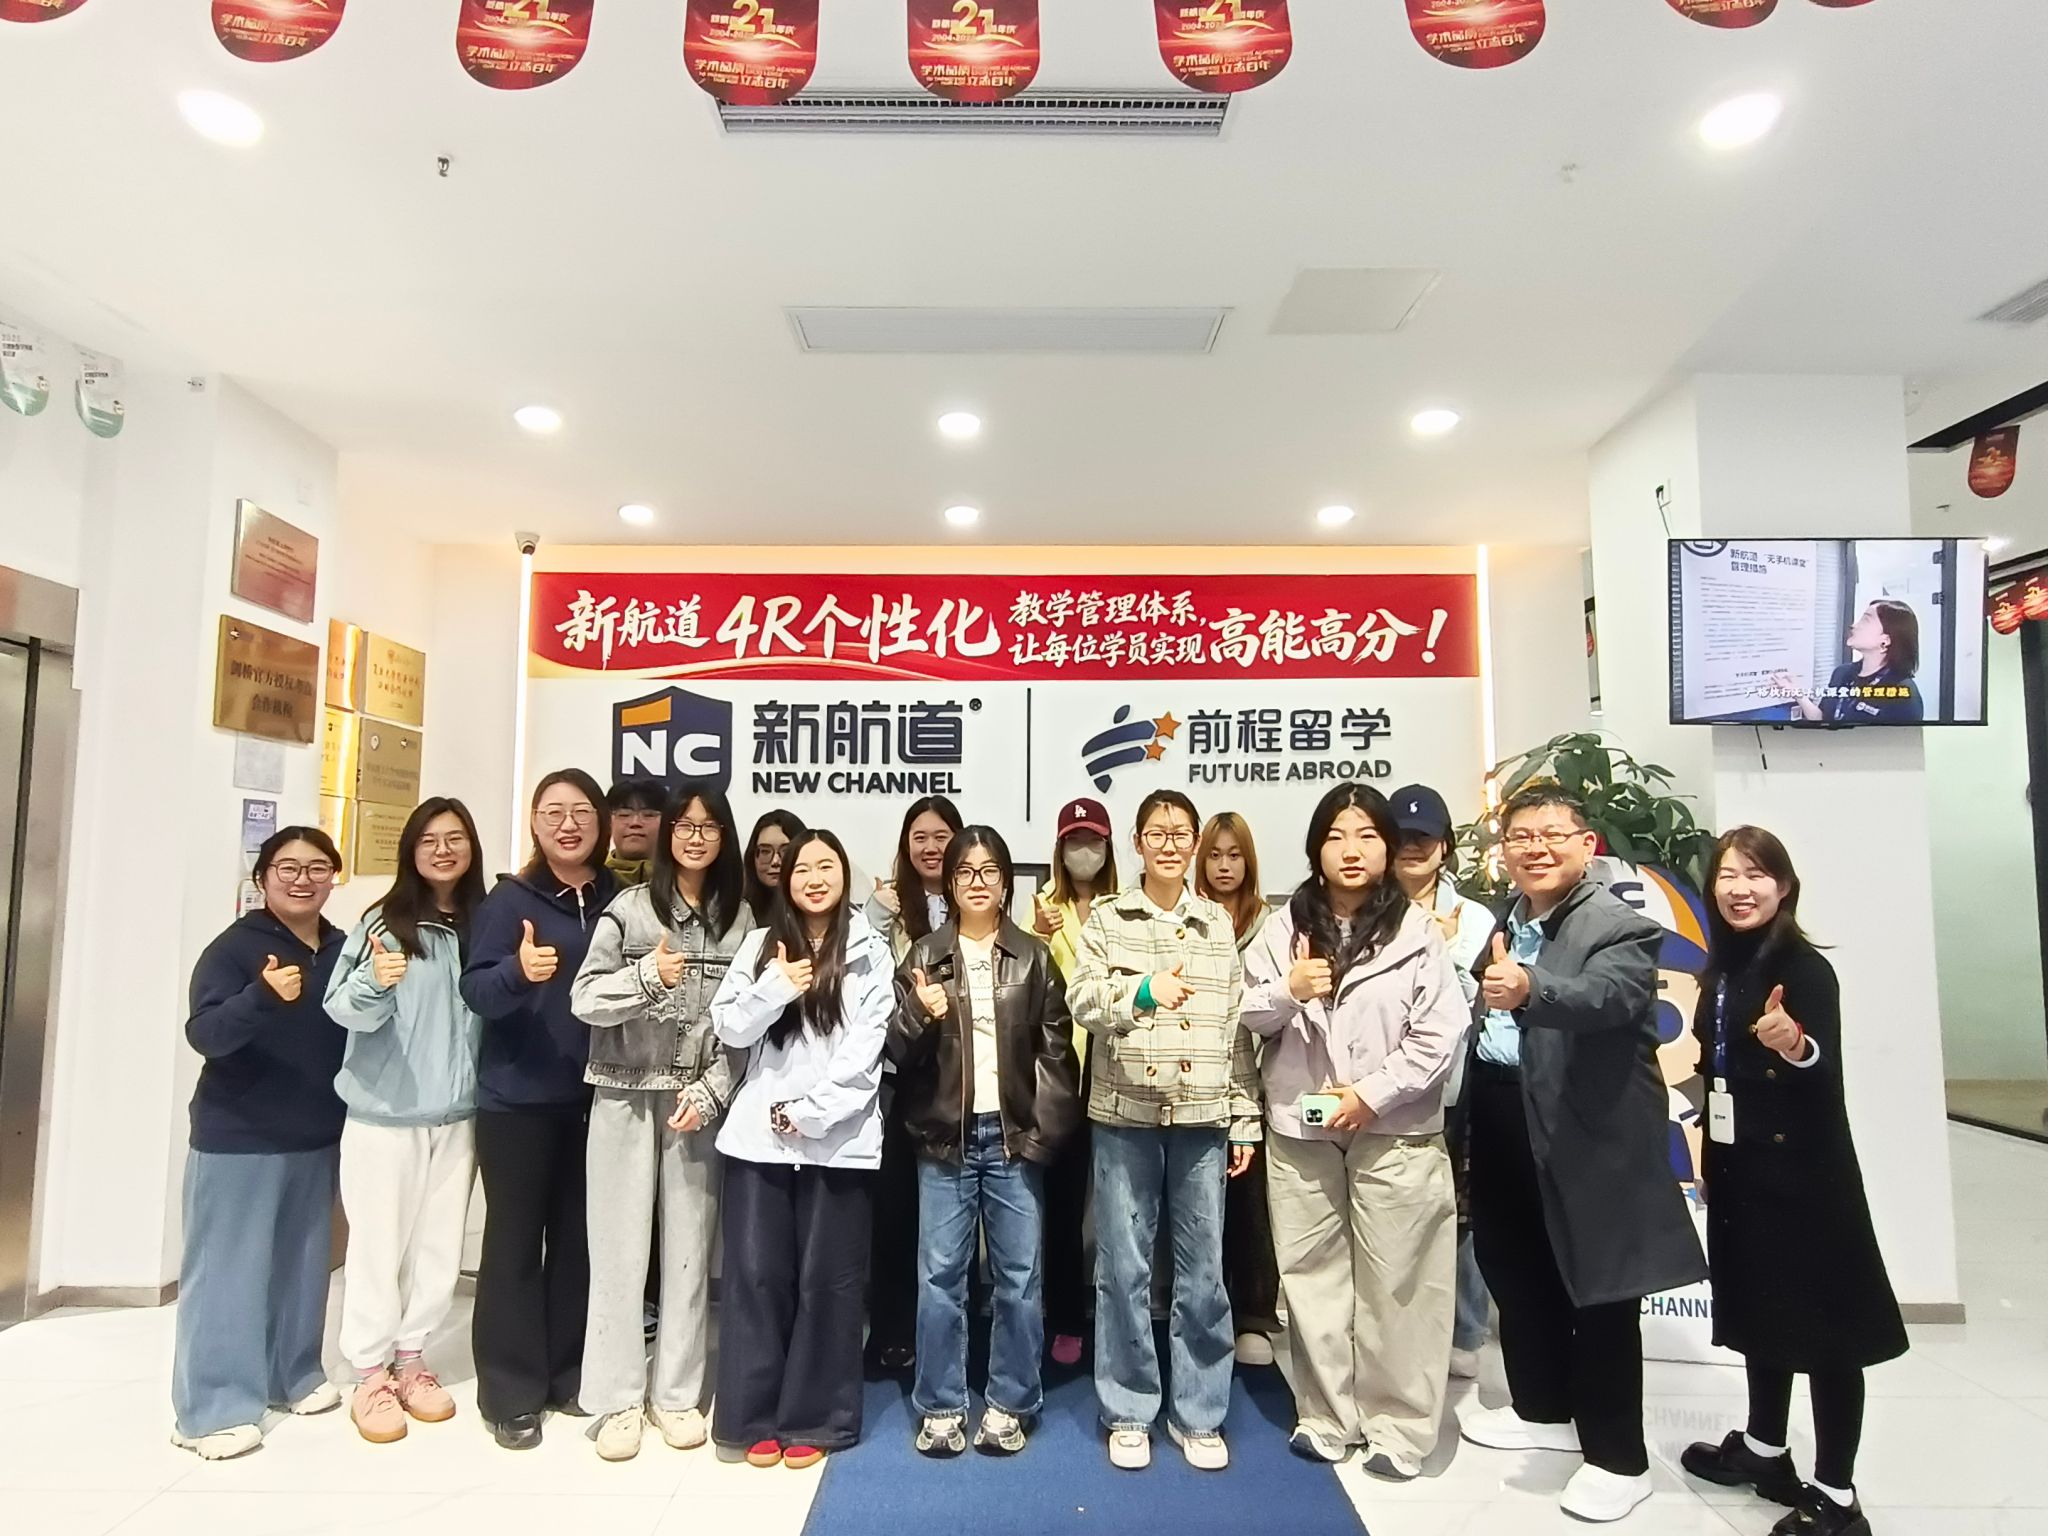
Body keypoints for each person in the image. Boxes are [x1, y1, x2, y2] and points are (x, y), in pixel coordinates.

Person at [1457, 786, 1707, 1524]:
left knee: (1598, 1293)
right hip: (1505, 1111)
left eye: (1552, 834)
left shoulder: (1618, 925)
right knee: (1516, 1267)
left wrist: (1531, 988)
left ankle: (1619, 1459)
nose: (1535, 848)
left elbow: (1607, 998)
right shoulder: (1508, 918)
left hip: (1583, 1130)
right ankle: (1544, 1410)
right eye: (1520, 836)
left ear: (1587, 845)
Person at [1678, 827, 1904, 1536]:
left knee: (1830, 1333)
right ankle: (1766, 1450)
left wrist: (1796, 1044)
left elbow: (1821, 1066)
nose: (1739, 889)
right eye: (1727, 875)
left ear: (1784, 887)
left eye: (1756, 875)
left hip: (1805, 1177)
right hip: (1740, 1166)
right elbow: (1715, 1073)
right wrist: (1710, 1158)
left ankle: (1837, 1495)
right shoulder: (1721, 969)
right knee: (1760, 1311)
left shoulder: (1805, 970)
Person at [1242, 784, 1467, 1478]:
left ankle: (1399, 1426)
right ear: (1316, 847)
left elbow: (1441, 1032)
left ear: (1387, 847)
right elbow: (1247, 1013)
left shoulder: (1417, 931)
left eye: (1367, 835)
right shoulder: (1283, 927)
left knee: (1401, 1282)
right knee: (1312, 1276)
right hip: (1303, 1126)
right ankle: (1326, 1415)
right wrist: (1289, 991)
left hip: (1393, 1128)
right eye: (1336, 835)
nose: (1351, 850)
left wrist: (1371, 1094)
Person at [1069, 790, 1261, 1473]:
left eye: (1182, 833)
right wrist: (1142, 992)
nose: (1171, 844)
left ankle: (1200, 1411)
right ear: (1138, 842)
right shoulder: (1108, 918)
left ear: (1195, 844)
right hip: (1126, 1116)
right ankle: (1128, 1407)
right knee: (1123, 1269)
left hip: (1203, 1118)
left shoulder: (1216, 924)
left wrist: (1244, 1117)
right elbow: (1083, 1000)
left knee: (1203, 1273)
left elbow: (1236, 1030)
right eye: (1157, 833)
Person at [571, 782, 755, 1461]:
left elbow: (750, 1027)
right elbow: (585, 998)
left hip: (694, 1104)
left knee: (690, 1255)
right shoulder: (627, 910)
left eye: (709, 826)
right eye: (684, 824)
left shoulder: (743, 921)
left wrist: (712, 1091)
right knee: (617, 1252)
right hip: (622, 1092)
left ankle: (675, 1396)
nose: (695, 837)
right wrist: (647, 977)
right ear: (668, 834)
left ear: (724, 837)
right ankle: (618, 1399)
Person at [890, 826, 1083, 1458]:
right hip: (944, 1141)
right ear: (949, 884)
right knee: (939, 1278)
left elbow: (1057, 1055)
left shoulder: (1033, 956)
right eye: (965, 872)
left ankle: (1011, 1402)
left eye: (989, 871)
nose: (978, 882)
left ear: (1005, 883)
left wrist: (1040, 1136)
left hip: (1012, 1139)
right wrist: (919, 1014)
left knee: (1019, 1279)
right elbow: (894, 1053)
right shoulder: (923, 955)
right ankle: (941, 1405)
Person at [707, 828, 891, 1470]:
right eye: (802, 868)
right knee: (756, 1278)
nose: (814, 878)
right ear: (785, 880)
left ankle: (815, 1417)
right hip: (759, 1142)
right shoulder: (761, 944)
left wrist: (808, 1115)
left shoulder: (870, 950)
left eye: (826, 866)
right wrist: (776, 986)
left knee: (827, 1284)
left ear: (845, 875)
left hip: (838, 1143)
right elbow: (729, 1026)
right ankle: (751, 1415)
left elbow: (865, 1054)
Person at [171, 827, 348, 1460]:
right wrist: (261, 998)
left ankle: (291, 1374)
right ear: (262, 878)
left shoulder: (341, 948)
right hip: (240, 1135)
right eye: (287, 868)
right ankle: (210, 1408)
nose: (302, 879)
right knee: (227, 1271)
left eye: (317, 867)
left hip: (317, 1131)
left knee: (303, 1264)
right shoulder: (234, 949)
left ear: (334, 877)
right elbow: (206, 1034)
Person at [459, 769, 620, 1451]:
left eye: (581, 811)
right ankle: (509, 1390)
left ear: (601, 822)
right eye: (552, 812)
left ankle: (568, 1373)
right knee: (514, 1244)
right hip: (517, 1102)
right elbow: (476, 991)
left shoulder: (620, 898)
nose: (568, 824)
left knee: (581, 1244)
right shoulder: (509, 901)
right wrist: (517, 973)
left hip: (597, 1098)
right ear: (534, 823)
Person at [325, 797, 488, 1445]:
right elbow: (342, 1009)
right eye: (429, 840)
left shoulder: (483, 925)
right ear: (411, 850)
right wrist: (376, 980)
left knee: (438, 1247)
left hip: (458, 1113)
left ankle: (412, 1358)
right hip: (385, 1114)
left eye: (455, 838)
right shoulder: (384, 924)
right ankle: (369, 1371)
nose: (443, 850)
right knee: (377, 1246)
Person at [1388, 783, 1494, 1382]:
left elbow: (1471, 1001)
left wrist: (1444, 950)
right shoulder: (1368, 910)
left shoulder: (1475, 919)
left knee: (1460, 1210)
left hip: (1453, 1086)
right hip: (1380, 1090)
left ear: (1445, 846)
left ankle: (1465, 1329)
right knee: (1393, 1215)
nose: (1412, 848)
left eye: (1423, 838)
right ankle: (1398, 1331)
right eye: (1401, 837)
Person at [862, 794, 962, 1372]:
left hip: (960, 1078)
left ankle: (950, 1334)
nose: (930, 847)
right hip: (899, 1077)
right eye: (919, 837)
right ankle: (893, 1330)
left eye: (941, 836)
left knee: (949, 1221)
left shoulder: (976, 900)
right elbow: (862, 974)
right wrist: (876, 917)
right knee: (895, 1213)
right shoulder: (887, 909)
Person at [1032, 796, 1119, 1368]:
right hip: (1060, 1076)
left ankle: (1117, 1323)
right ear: (1060, 849)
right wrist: (1040, 935)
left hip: (1118, 1072)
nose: (1084, 851)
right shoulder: (1041, 907)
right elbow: (1022, 982)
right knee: (1062, 1207)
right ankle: (1064, 1317)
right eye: (1074, 841)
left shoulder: (1127, 906)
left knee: (1120, 1208)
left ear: (1108, 848)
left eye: (1093, 841)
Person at [1195, 811, 1281, 1370]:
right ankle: (1199, 1309)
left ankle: (1253, 1315)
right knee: (1198, 1208)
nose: (1224, 866)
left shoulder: (1271, 923)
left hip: (1256, 1082)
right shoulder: (1185, 917)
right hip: (1196, 1078)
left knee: (1250, 1205)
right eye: (1215, 855)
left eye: (1234, 855)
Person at [1773, 599, 1924, 724]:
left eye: (1865, 620)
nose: (1854, 625)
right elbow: (1823, 720)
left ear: (1885, 641)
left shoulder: (1903, 692)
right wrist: (1797, 694)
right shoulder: (1842, 673)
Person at [743, 809, 805, 920]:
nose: (775, 861)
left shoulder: (818, 911)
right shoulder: (739, 913)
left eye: (786, 851)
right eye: (765, 851)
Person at [606, 777, 667, 886]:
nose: (635, 823)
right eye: (624, 814)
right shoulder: (594, 879)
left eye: (648, 815)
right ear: (608, 822)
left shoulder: (680, 881)